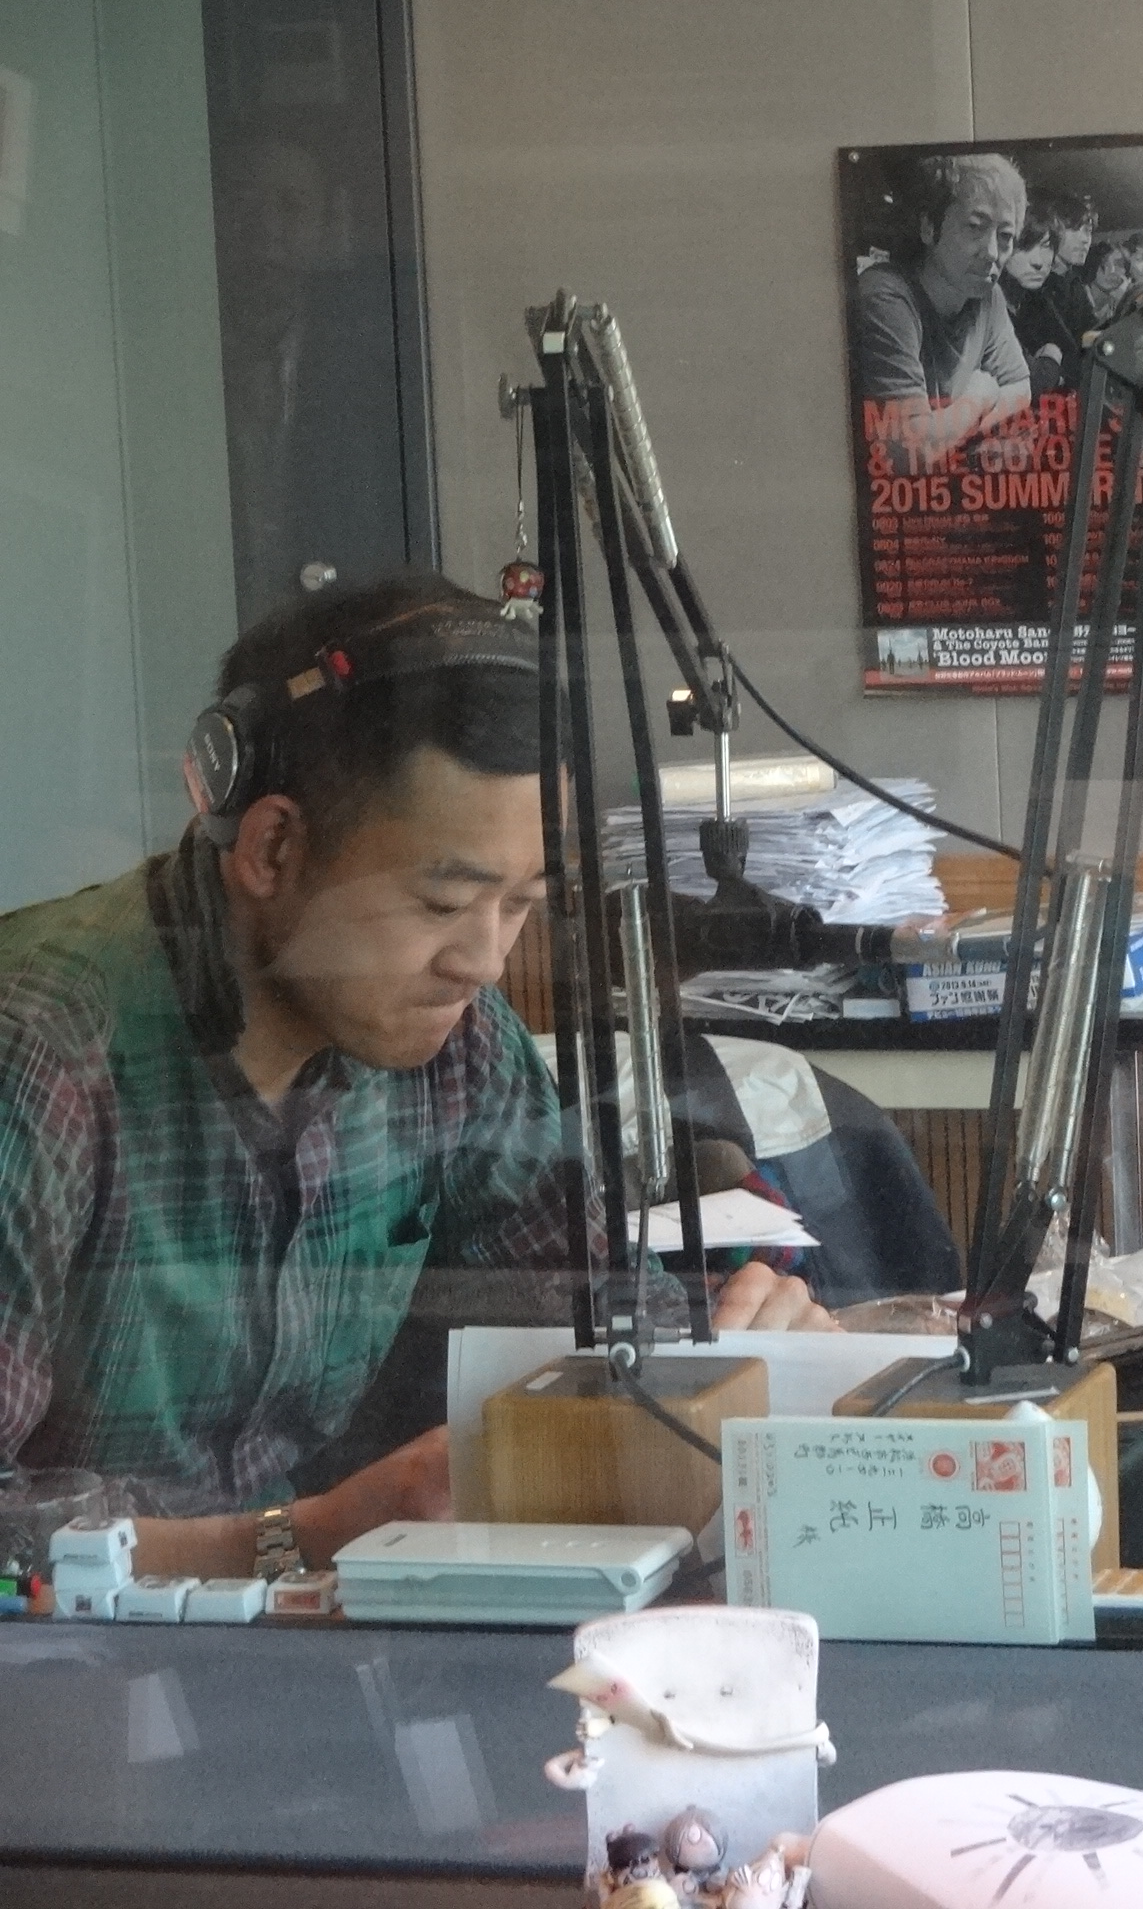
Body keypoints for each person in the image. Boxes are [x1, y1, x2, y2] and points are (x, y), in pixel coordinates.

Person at [0, 573, 832, 1583]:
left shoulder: (456, 1043)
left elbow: (593, 1315)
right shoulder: (39, 1055)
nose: (483, 962)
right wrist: (295, 1537)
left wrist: (741, 1347)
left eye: (521, 904)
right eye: (442, 904)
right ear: (271, 846)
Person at [847, 151, 1033, 461]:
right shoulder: (885, 295)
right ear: (928, 228)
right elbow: (910, 450)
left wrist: (951, 431)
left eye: (1005, 236)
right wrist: (978, 397)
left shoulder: (989, 296)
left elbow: (1020, 387)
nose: (992, 252)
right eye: (975, 226)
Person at [1000, 210, 1080, 397]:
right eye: (1024, 246)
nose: (1038, 262)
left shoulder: (1036, 300)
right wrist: (1052, 356)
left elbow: (1075, 363)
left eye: (1046, 247)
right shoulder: (985, 302)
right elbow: (1035, 384)